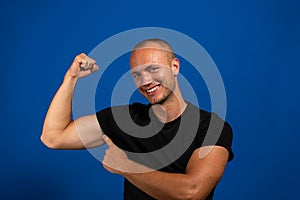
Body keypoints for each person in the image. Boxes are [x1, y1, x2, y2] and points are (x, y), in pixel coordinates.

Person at [41, 38, 234, 200]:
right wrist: (71, 78)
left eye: (153, 69)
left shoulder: (211, 127)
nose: (145, 81)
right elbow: (53, 137)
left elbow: (192, 192)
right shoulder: (126, 119)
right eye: (137, 74)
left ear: (174, 66)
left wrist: (126, 167)